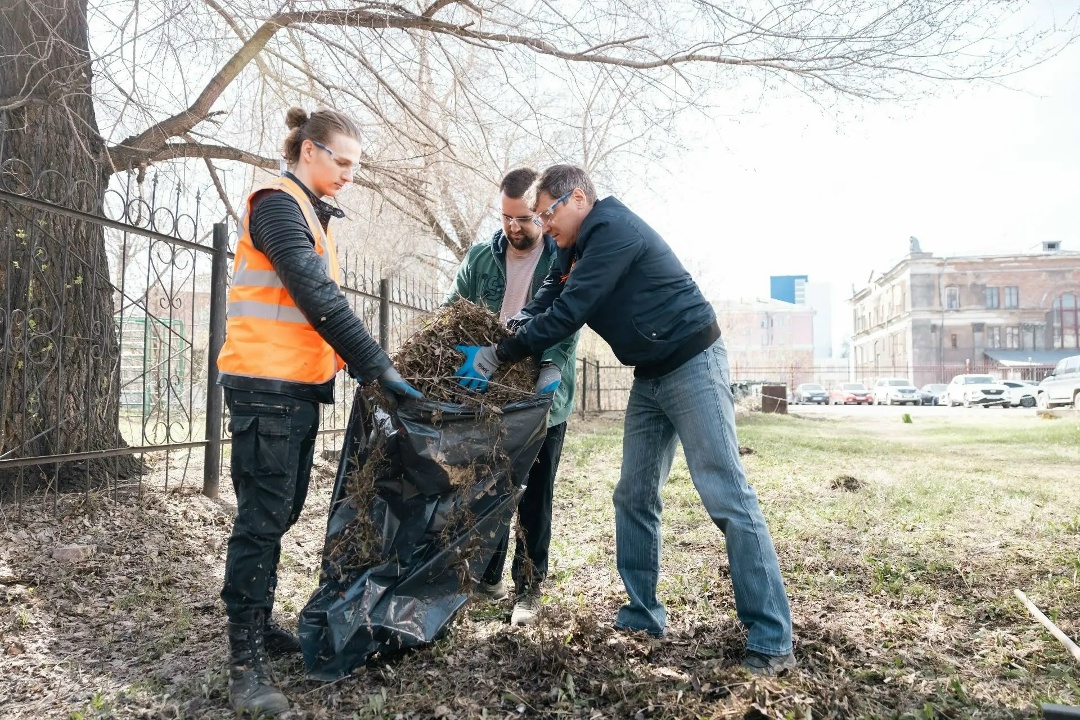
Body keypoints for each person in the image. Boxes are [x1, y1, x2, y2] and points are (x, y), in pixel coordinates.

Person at [452, 165, 795, 675]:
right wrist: (514, 325)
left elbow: (571, 311)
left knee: (726, 494)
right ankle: (642, 616)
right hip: (650, 375)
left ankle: (771, 638)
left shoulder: (612, 230)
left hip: (693, 363)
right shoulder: (571, 247)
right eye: (539, 215)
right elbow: (550, 295)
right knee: (633, 495)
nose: (544, 225)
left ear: (580, 198)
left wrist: (498, 354)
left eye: (549, 213)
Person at [216, 106, 423, 715]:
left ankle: (258, 626)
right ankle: (244, 663)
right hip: (263, 389)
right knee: (261, 518)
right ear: (310, 151)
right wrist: (375, 365)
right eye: (344, 162)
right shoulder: (277, 203)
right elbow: (314, 293)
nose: (350, 175)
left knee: (278, 513)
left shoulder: (311, 213)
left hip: (294, 391)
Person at [446, 168, 578, 626]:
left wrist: (552, 370)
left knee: (534, 492)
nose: (513, 227)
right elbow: (451, 310)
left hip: (541, 390)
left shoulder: (560, 257)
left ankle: (529, 587)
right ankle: (487, 577)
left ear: (541, 214)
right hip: (487, 389)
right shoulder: (482, 257)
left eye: (522, 218)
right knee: (487, 486)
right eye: (505, 217)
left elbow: (567, 320)